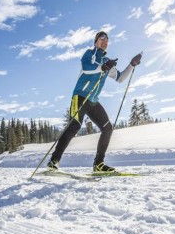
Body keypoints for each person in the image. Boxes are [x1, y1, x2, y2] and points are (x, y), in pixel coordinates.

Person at [47, 31, 142, 172]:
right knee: (74, 127)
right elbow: (87, 68)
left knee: (107, 128)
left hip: (92, 101)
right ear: (96, 41)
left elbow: (120, 78)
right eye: (102, 38)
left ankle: (98, 164)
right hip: (79, 97)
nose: (105, 41)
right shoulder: (89, 54)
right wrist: (102, 67)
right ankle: (54, 161)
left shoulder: (107, 62)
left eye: (107, 39)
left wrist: (132, 65)